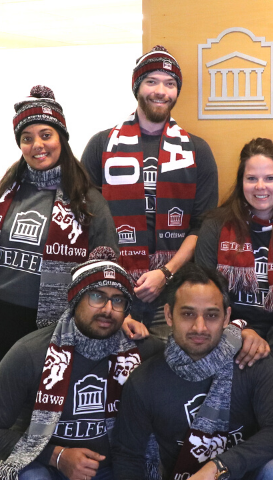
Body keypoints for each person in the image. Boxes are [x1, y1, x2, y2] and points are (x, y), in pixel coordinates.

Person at [0, 85, 139, 480]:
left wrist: (122, 315)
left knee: (36, 415)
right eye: (27, 137)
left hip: (50, 329)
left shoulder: (88, 201)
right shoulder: (0, 194)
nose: (37, 145)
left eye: (46, 135)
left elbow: (106, 267)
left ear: (62, 137)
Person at [0, 256, 163, 480]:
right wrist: (57, 456)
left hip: (108, 477)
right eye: (97, 296)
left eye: (118, 300)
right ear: (75, 299)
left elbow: (194, 349)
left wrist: (231, 340)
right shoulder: (31, 352)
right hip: (44, 472)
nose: (107, 309)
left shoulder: (140, 352)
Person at [111, 263, 273, 480]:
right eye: (188, 314)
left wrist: (216, 468)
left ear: (227, 317)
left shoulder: (252, 360)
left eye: (211, 315)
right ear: (169, 315)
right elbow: (128, 458)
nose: (199, 327)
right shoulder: (144, 380)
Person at [80, 45, 219, 329]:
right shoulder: (101, 146)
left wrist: (165, 273)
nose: (161, 91)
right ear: (137, 87)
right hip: (113, 287)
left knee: (164, 365)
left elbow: (202, 227)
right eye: (151, 81)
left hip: (174, 289)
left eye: (170, 84)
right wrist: (113, 276)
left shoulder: (197, 151)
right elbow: (86, 221)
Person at [194, 138, 273, 396]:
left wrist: (270, 352)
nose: (260, 187)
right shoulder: (215, 225)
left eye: (270, 178)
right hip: (227, 337)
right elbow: (205, 293)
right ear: (241, 183)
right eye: (252, 178)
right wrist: (237, 336)